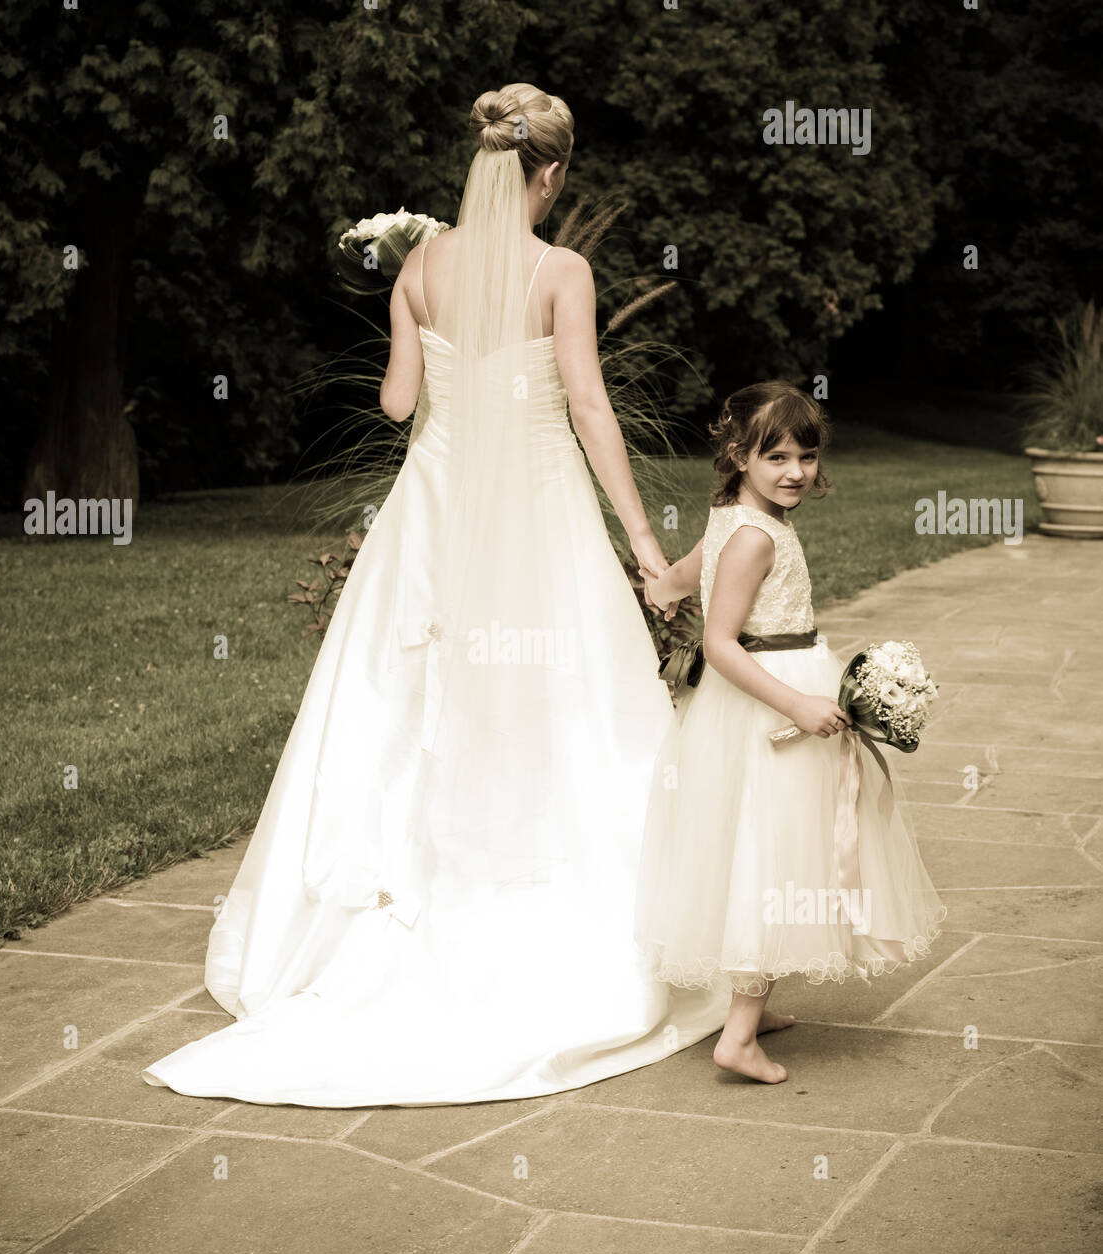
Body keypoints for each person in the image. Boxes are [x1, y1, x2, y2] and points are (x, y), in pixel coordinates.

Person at [143, 83, 730, 1108]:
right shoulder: (561, 272)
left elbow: (398, 401)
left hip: (434, 506)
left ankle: (383, 913)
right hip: (539, 500)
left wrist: (417, 329)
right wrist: (643, 540)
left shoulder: (419, 265)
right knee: (559, 702)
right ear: (546, 174)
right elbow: (587, 404)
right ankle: (561, 914)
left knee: (406, 700)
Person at [638, 381, 946, 1084]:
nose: (795, 472)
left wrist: (657, 589)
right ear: (738, 453)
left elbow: (689, 575)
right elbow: (720, 643)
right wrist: (799, 707)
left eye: (806, 456)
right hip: (773, 698)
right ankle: (738, 1035)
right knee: (781, 860)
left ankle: (752, 998)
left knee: (765, 851)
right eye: (775, 456)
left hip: (763, 695)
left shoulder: (730, 520)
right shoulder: (753, 536)